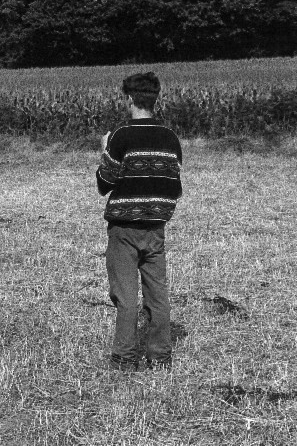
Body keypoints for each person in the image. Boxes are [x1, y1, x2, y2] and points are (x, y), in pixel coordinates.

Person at [96, 72, 182, 371]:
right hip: (156, 227)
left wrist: (104, 150)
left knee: (125, 296)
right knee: (157, 293)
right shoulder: (170, 137)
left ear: (129, 98)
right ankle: (160, 356)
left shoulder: (121, 135)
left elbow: (104, 183)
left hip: (124, 228)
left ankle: (124, 357)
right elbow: (174, 185)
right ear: (156, 98)